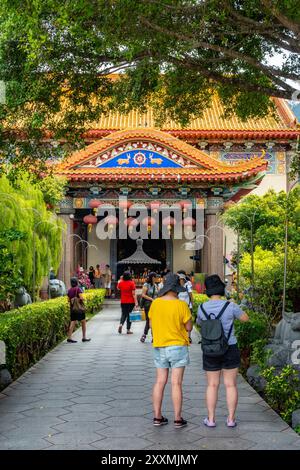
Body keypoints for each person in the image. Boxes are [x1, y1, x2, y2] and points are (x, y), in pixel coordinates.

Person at [196, 274, 249, 428]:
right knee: (230, 385)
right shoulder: (230, 306)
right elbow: (246, 318)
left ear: (207, 290)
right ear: (221, 288)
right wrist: (234, 305)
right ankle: (231, 419)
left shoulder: (201, 307)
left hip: (210, 348)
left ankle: (211, 420)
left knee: (212, 385)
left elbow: (199, 323)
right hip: (230, 347)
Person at [148, 273, 193, 428]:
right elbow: (189, 327)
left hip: (160, 346)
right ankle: (178, 419)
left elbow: (152, 324)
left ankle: (157, 417)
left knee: (160, 381)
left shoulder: (155, 303)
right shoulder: (181, 305)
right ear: (176, 288)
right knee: (176, 383)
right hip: (178, 347)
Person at [67, 277, 91, 343]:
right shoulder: (78, 289)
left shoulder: (69, 290)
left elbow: (68, 300)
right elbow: (81, 298)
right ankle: (84, 337)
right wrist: (82, 299)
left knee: (72, 322)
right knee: (83, 322)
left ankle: (69, 338)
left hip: (72, 309)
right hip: (79, 309)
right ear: (77, 282)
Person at [140, 272, 159, 343]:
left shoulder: (156, 285)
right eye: (156, 277)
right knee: (149, 320)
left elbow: (158, 294)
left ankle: (148, 336)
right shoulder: (146, 284)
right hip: (148, 305)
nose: (157, 278)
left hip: (155, 305)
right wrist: (151, 299)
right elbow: (143, 295)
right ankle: (147, 335)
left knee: (154, 320)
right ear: (153, 277)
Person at [177, 273, 194, 343]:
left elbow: (191, 296)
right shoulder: (177, 287)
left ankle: (189, 336)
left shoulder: (187, 286)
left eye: (181, 279)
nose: (180, 280)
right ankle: (181, 335)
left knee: (188, 321)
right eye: (179, 279)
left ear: (184, 280)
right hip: (179, 307)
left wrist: (192, 305)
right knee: (180, 321)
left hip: (187, 307)